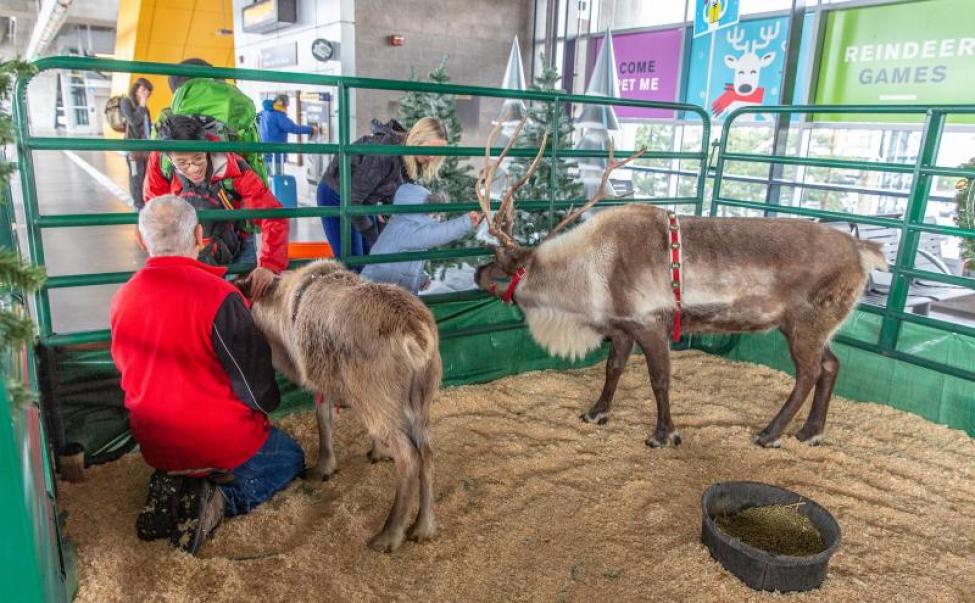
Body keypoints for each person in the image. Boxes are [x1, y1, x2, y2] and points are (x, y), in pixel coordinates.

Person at [110, 195, 305, 555]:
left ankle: (171, 483)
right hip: (220, 443)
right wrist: (266, 408)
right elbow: (254, 387)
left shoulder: (123, 297)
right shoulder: (218, 297)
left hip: (155, 444)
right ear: (200, 236)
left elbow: (127, 370)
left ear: (141, 241)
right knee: (291, 456)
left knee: (182, 449)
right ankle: (219, 498)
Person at [144, 114, 288, 298]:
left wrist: (269, 266)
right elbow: (155, 211)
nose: (194, 168)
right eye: (182, 163)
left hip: (237, 243)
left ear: (206, 148)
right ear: (169, 159)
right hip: (187, 250)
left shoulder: (234, 168)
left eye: (198, 158)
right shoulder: (159, 160)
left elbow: (273, 215)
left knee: (241, 305)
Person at [317, 116, 447, 259]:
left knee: (374, 258)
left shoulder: (414, 160)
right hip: (338, 195)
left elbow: (394, 193)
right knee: (356, 262)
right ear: (418, 138)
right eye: (431, 148)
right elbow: (352, 200)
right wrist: (373, 234)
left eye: (438, 151)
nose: (433, 156)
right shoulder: (386, 152)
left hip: (364, 199)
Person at [361, 183, 480, 293]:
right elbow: (436, 235)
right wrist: (466, 222)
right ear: (417, 212)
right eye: (432, 214)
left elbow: (408, 261)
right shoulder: (405, 230)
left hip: (388, 288)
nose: (437, 219)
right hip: (376, 290)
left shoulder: (405, 224)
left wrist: (421, 279)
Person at [257, 94, 318, 173]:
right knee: (276, 181)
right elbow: (293, 128)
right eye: (286, 105)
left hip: (264, 155)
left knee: (266, 182)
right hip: (276, 157)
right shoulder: (277, 115)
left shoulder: (264, 112)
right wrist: (311, 129)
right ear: (280, 103)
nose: (286, 108)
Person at [119, 77, 153, 209]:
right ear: (136, 89)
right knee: (136, 176)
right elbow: (134, 121)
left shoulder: (144, 107)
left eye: (148, 91)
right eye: (143, 89)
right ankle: (138, 205)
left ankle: (144, 201)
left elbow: (147, 127)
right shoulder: (126, 102)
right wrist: (142, 104)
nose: (146, 93)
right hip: (133, 147)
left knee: (145, 175)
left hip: (145, 147)